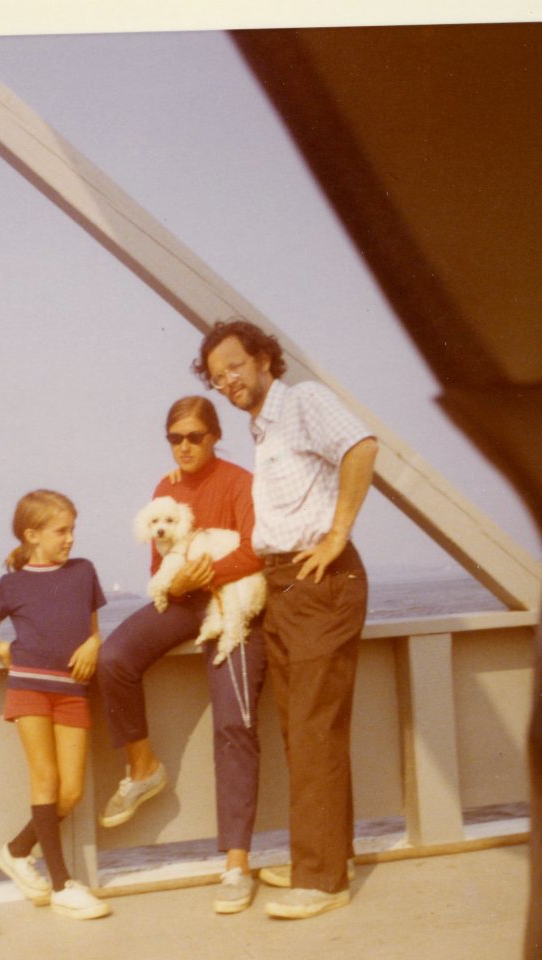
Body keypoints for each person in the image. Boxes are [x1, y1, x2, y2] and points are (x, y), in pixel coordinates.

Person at [193, 318, 378, 921]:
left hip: (319, 580)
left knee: (313, 728)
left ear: (265, 360)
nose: (228, 381)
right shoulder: (262, 428)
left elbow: (361, 447)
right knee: (303, 730)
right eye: (217, 377)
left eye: (235, 367)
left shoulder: (302, 403)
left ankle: (320, 881)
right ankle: (331, 858)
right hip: (282, 586)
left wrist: (337, 534)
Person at [97, 395, 268, 915]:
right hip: (184, 602)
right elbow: (159, 562)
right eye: (176, 438)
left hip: (233, 601)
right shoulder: (165, 488)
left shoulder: (239, 482)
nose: (185, 446)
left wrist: (208, 574)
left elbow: (257, 549)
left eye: (195, 436)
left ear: (215, 436)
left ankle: (236, 864)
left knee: (233, 723)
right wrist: (178, 582)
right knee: (113, 658)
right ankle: (143, 767)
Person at [0, 489, 111, 921]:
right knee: (46, 780)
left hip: (72, 690)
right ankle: (62, 885)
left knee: (71, 792)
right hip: (28, 687)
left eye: (72, 529)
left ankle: (17, 851)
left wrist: (93, 645)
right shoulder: (10, 585)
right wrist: (2, 650)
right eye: (61, 531)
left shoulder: (84, 572)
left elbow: (93, 631)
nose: (70, 538)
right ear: (32, 535)